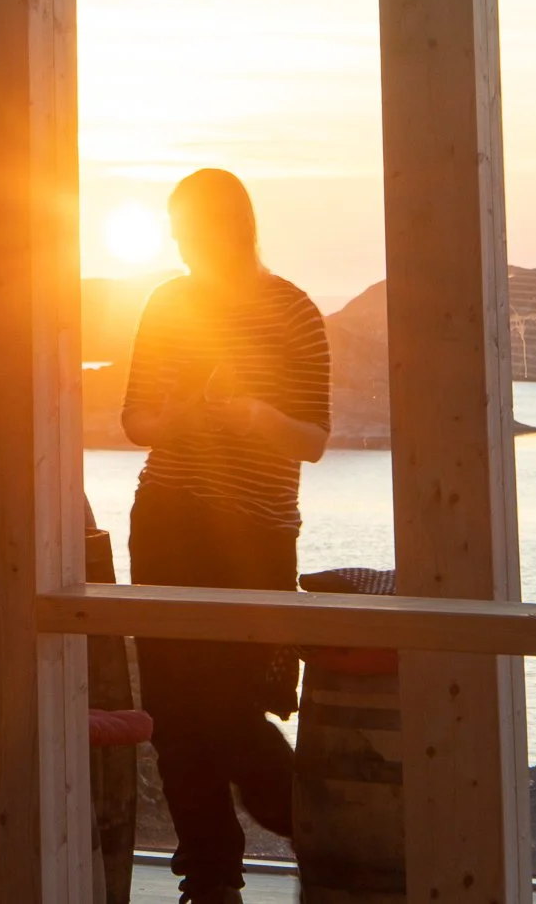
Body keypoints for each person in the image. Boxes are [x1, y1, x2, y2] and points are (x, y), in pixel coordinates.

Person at [121, 169, 330, 904]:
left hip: (252, 536)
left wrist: (253, 416)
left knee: (232, 709)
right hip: (168, 522)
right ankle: (209, 880)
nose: (181, 247)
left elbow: (313, 438)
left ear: (230, 228)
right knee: (175, 716)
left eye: (190, 232)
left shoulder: (292, 311)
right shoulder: (167, 303)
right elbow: (135, 423)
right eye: (175, 234)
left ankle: (319, 833)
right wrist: (181, 412)